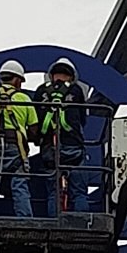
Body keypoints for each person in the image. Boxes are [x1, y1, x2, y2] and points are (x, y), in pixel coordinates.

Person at [31, 58, 91, 214]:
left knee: (53, 193)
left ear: (51, 76)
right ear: (71, 76)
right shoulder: (76, 91)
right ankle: (81, 223)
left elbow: (34, 120)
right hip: (74, 146)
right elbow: (82, 120)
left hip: (50, 148)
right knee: (79, 192)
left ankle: (54, 223)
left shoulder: (40, 91)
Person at [0, 63, 36, 217]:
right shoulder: (23, 98)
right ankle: (25, 219)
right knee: (20, 185)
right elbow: (34, 128)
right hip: (17, 149)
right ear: (16, 80)